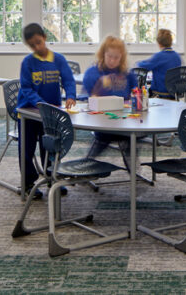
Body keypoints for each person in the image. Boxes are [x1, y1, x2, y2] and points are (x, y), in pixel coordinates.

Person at [17, 22, 76, 193]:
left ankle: (52, 179)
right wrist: (41, 103)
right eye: (31, 45)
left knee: (50, 146)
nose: (36, 47)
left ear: (45, 38)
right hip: (29, 112)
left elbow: (68, 80)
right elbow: (26, 88)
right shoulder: (27, 63)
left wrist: (71, 95)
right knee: (26, 149)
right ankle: (28, 184)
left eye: (38, 42)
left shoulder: (59, 59)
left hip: (51, 114)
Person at [82, 35, 136, 167]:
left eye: (116, 57)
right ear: (103, 54)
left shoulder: (127, 74)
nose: (112, 60)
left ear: (121, 57)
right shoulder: (93, 72)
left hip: (123, 121)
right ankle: (85, 166)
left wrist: (134, 98)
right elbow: (86, 99)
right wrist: (98, 90)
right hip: (101, 121)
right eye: (109, 56)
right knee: (103, 139)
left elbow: (135, 93)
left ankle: (134, 171)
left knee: (129, 140)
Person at [136, 28, 181, 99]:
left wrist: (137, 62)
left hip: (159, 92)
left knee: (143, 88)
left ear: (159, 43)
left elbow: (143, 66)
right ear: (171, 42)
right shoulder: (177, 56)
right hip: (173, 93)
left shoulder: (159, 56)